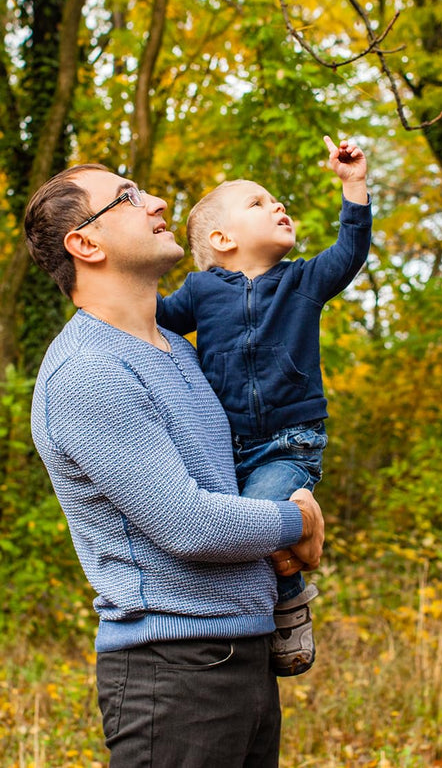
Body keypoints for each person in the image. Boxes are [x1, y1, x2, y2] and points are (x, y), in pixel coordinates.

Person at [25, 164, 325, 768]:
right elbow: (191, 524)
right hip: (173, 671)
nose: (158, 201)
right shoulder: (88, 371)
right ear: (86, 244)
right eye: (128, 197)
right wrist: (299, 521)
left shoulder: (179, 352)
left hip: (244, 653)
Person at [156, 135, 371, 676]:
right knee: (220, 535)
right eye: (258, 202)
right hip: (223, 446)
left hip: (288, 444)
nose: (278, 205)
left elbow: (350, 252)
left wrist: (353, 185)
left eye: (276, 200)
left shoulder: (301, 280)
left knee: (257, 518)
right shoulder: (200, 291)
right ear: (222, 239)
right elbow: (152, 317)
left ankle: (290, 601)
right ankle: (234, 622)